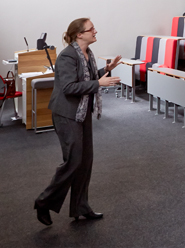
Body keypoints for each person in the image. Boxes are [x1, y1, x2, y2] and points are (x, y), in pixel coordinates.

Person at [34, 19, 122, 226]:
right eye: (91, 29)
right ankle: (43, 202)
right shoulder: (67, 56)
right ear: (79, 35)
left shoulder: (88, 54)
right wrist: (98, 83)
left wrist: (104, 70)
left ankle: (80, 207)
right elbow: (68, 87)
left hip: (82, 112)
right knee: (73, 161)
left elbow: (87, 79)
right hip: (67, 114)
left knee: (85, 161)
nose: (95, 31)